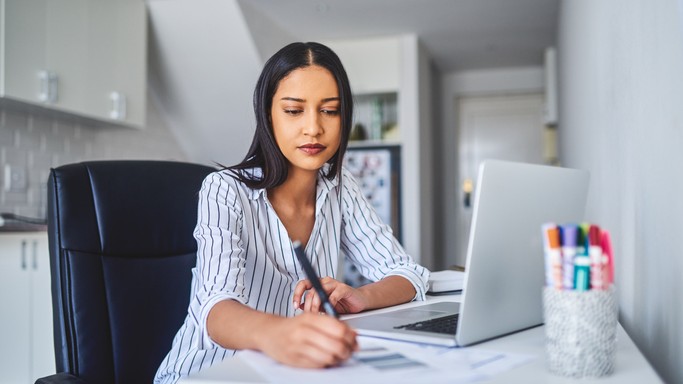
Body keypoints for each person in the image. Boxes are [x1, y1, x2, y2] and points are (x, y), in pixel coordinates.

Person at [154, 42, 429, 383]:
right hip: (208, 373)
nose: (313, 128)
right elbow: (216, 309)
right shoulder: (224, 189)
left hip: (294, 373)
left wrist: (361, 296)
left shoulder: (341, 187)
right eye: (294, 111)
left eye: (329, 110)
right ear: (268, 114)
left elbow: (409, 274)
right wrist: (280, 334)